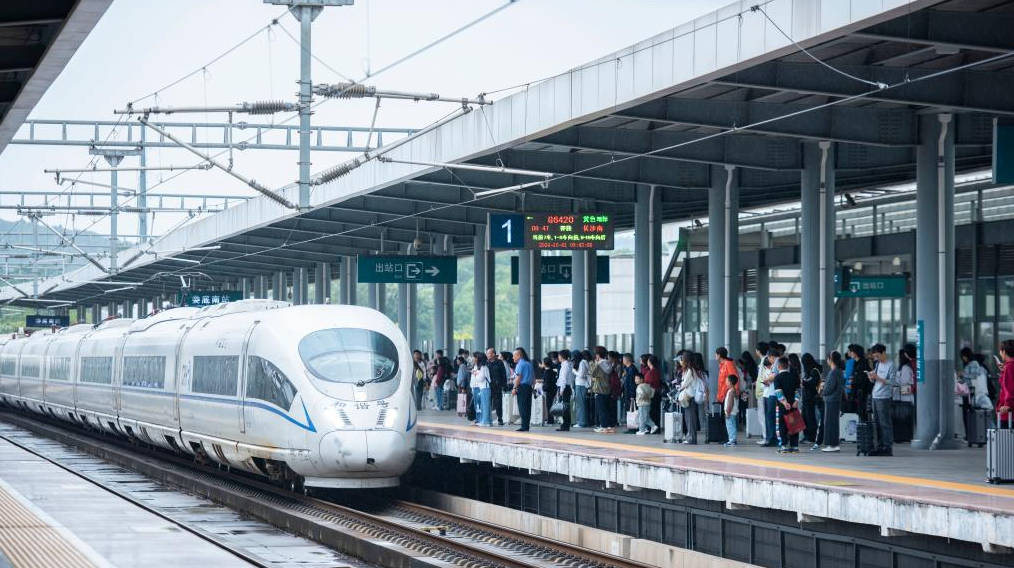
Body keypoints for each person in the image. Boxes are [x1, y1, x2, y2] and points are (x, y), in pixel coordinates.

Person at [868, 344, 896, 456]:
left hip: (884, 398)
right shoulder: (878, 364)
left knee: (885, 423)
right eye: (875, 356)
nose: (876, 358)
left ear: (883, 352)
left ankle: (887, 447)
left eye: (877, 356)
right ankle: (880, 446)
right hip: (875, 396)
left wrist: (878, 378)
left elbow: (892, 382)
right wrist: (871, 377)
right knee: (877, 424)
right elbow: (875, 381)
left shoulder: (891, 365)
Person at [773, 356, 800, 453]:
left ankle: (783, 445)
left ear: (779, 366)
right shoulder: (793, 376)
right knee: (794, 425)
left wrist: (784, 402)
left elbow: (778, 392)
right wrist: (796, 401)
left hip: (782, 406)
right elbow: (797, 390)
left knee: (781, 425)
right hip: (793, 405)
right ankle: (794, 446)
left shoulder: (777, 378)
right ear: (788, 366)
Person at [677, 354, 704, 444]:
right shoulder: (689, 370)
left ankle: (692, 439)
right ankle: (690, 437)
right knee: (688, 418)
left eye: (682, 360)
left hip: (690, 397)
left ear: (686, 361)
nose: (680, 362)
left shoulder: (690, 371)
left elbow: (684, 384)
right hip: (688, 397)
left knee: (690, 419)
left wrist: (679, 387)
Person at [820, 352, 844, 452]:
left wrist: (823, 389)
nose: (827, 360)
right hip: (835, 399)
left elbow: (830, 387)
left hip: (831, 400)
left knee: (830, 422)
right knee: (833, 422)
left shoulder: (833, 372)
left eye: (828, 358)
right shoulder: (838, 371)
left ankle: (832, 445)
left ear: (831, 359)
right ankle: (834, 444)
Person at [591, 346, 614, 433]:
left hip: (600, 389)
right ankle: (609, 426)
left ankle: (604, 426)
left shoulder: (599, 364)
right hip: (607, 389)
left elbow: (592, 373)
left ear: (597, 355)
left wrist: (595, 363)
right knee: (607, 409)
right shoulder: (608, 363)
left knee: (601, 409)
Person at [511, 348, 535, 432]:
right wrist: (533, 388)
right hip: (528, 387)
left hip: (522, 387)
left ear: (518, 355)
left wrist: (514, 388)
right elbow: (533, 378)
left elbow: (519, 377)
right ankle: (526, 425)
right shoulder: (529, 364)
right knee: (527, 407)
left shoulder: (520, 364)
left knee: (522, 407)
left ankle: (524, 426)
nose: (513, 357)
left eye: (514, 356)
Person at [800, 353, 821, 445]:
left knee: (810, 418)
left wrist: (803, 383)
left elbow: (813, 383)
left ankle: (811, 437)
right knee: (804, 417)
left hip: (811, 398)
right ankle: (807, 436)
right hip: (806, 398)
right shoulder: (808, 371)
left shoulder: (814, 371)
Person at [760, 349, 779, 447]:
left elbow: (773, 376)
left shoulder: (777, 362)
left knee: (770, 417)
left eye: (768, 358)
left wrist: (765, 380)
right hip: (770, 393)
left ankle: (772, 439)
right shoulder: (775, 363)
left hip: (773, 394)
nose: (768, 360)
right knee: (769, 416)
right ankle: (770, 438)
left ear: (771, 356)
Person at [486, 348, 507, 426]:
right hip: (487, 386)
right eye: (487, 353)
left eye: (489, 353)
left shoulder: (499, 362)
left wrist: (503, 385)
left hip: (497, 386)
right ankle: (488, 419)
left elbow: (503, 374)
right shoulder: (486, 363)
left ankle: (500, 419)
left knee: (498, 403)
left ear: (493, 354)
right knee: (487, 402)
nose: (487, 355)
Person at [470, 353, 492, 427]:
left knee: (485, 406)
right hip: (484, 387)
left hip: (485, 388)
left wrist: (475, 373)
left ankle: (485, 422)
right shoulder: (483, 367)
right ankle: (488, 421)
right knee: (485, 405)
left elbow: (480, 378)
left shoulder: (483, 367)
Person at [555, 350, 575, 431]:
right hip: (567, 387)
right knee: (565, 406)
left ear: (562, 356)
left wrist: (562, 389)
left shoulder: (565, 366)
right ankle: (566, 424)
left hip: (564, 387)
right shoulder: (569, 365)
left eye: (559, 356)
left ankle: (565, 425)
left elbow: (563, 378)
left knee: (564, 407)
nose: (558, 357)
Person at [645, 355, 664, 428]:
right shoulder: (657, 371)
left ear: (650, 362)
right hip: (657, 393)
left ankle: (653, 427)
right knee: (656, 412)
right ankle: (657, 426)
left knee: (652, 412)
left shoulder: (651, 372)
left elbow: (648, 384)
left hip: (651, 394)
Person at [998, 339, 1014, 427]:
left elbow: (1009, 387)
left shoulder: (1009, 366)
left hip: (1009, 413)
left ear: (1004, 352)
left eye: (1000, 351)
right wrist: (1003, 371)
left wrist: (1008, 404)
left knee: (1005, 434)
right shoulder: (1009, 366)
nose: (1000, 353)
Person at [723, 374, 740, 447]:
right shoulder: (734, 391)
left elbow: (730, 403)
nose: (726, 382)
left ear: (730, 382)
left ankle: (732, 441)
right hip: (733, 413)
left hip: (730, 413)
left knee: (730, 427)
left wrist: (728, 411)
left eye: (726, 381)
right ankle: (733, 440)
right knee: (732, 426)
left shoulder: (731, 392)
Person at [540, 356, 557, 425]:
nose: (542, 364)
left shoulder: (546, 372)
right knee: (550, 404)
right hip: (553, 389)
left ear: (545, 364)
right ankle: (551, 419)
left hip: (549, 390)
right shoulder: (552, 371)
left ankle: (550, 420)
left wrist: (544, 389)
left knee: (549, 405)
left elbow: (547, 382)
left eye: (542, 362)